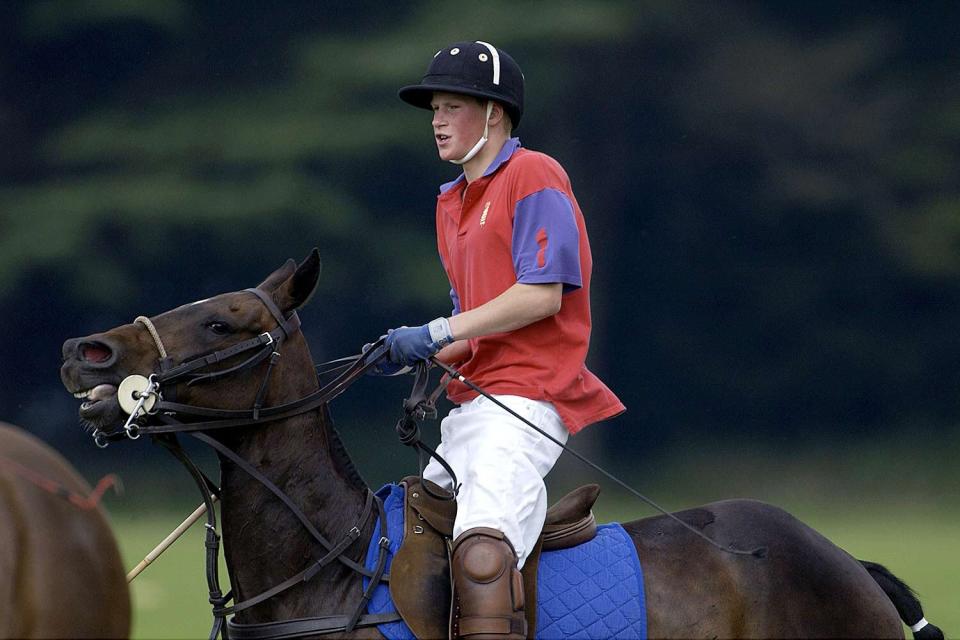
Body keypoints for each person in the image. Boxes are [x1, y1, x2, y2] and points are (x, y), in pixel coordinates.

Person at [379, 40, 624, 639]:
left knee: (482, 553)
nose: (436, 121)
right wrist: (426, 352)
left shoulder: (533, 174)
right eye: (433, 109)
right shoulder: (450, 202)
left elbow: (542, 296)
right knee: (399, 540)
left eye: (451, 106)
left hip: (528, 401)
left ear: (493, 113)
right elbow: (480, 318)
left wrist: (440, 329)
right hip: (474, 408)